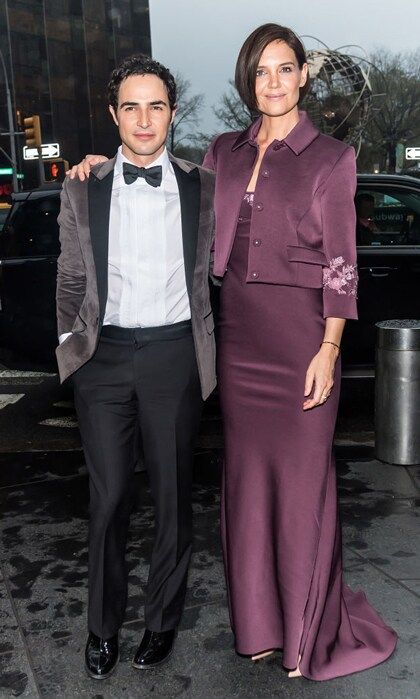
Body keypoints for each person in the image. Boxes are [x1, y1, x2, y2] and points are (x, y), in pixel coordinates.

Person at [69, 24, 397, 681]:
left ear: (304, 75)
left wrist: (331, 347)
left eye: (284, 69)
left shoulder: (332, 157)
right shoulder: (222, 151)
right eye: (260, 71)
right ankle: (259, 630)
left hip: (303, 340)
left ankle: (308, 636)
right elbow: (161, 175)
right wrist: (94, 168)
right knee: (246, 492)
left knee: (303, 490)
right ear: (248, 83)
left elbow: (340, 264)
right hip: (239, 343)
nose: (272, 82)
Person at [56, 54, 215, 680]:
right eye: (131, 106)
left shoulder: (205, 184)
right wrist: (73, 346)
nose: (144, 119)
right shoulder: (81, 186)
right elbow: (70, 276)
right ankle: (102, 629)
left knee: (174, 500)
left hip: (176, 354)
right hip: (105, 358)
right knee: (110, 497)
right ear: (113, 114)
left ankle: (161, 623)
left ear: (173, 113)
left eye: (156, 106)